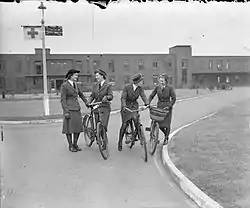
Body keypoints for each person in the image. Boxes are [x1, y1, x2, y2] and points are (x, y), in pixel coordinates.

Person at [118, 73, 149, 151]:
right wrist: (124, 106)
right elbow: (123, 98)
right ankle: (120, 142)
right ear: (137, 81)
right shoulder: (127, 87)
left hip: (134, 106)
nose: (142, 82)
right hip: (126, 107)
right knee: (125, 124)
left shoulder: (140, 89)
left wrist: (147, 103)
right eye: (141, 81)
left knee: (136, 121)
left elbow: (143, 96)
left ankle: (138, 136)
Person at [61, 69, 89, 152]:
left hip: (76, 108)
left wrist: (86, 102)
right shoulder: (64, 85)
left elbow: (81, 94)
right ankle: (70, 145)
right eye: (76, 75)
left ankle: (75, 144)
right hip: (69, 109)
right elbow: (63, 99)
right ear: (71, 76)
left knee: (77, 127)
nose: (77, 77)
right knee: (69, 128)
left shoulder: (76, 85)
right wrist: (66, 111)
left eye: (77, 75)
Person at [148, 73, 176, 145]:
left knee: (167, 124)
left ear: (166, 81)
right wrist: (148, 102)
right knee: (159, 124)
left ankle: (166, 138)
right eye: (160, 81)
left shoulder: (170, 88)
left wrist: (170, 106)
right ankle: (160, 135)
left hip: (167, 107)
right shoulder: (157, 88)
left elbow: (174, 98)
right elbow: (152, 95)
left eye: (162, 81)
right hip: (159, 106)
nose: (161, 82)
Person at [88, 69, 113, 140]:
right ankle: (99, 138)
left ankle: (103, 138)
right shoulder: (95, 85)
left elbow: (111, 96)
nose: (96, 77)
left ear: (102, 76)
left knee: (103, 125)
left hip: (105, 107)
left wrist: (107, 97)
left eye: (97, 75)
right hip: (96, 107)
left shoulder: (108, 85)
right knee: (97, 124)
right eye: (95, 76)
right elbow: (92, 95)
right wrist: (89, 101)